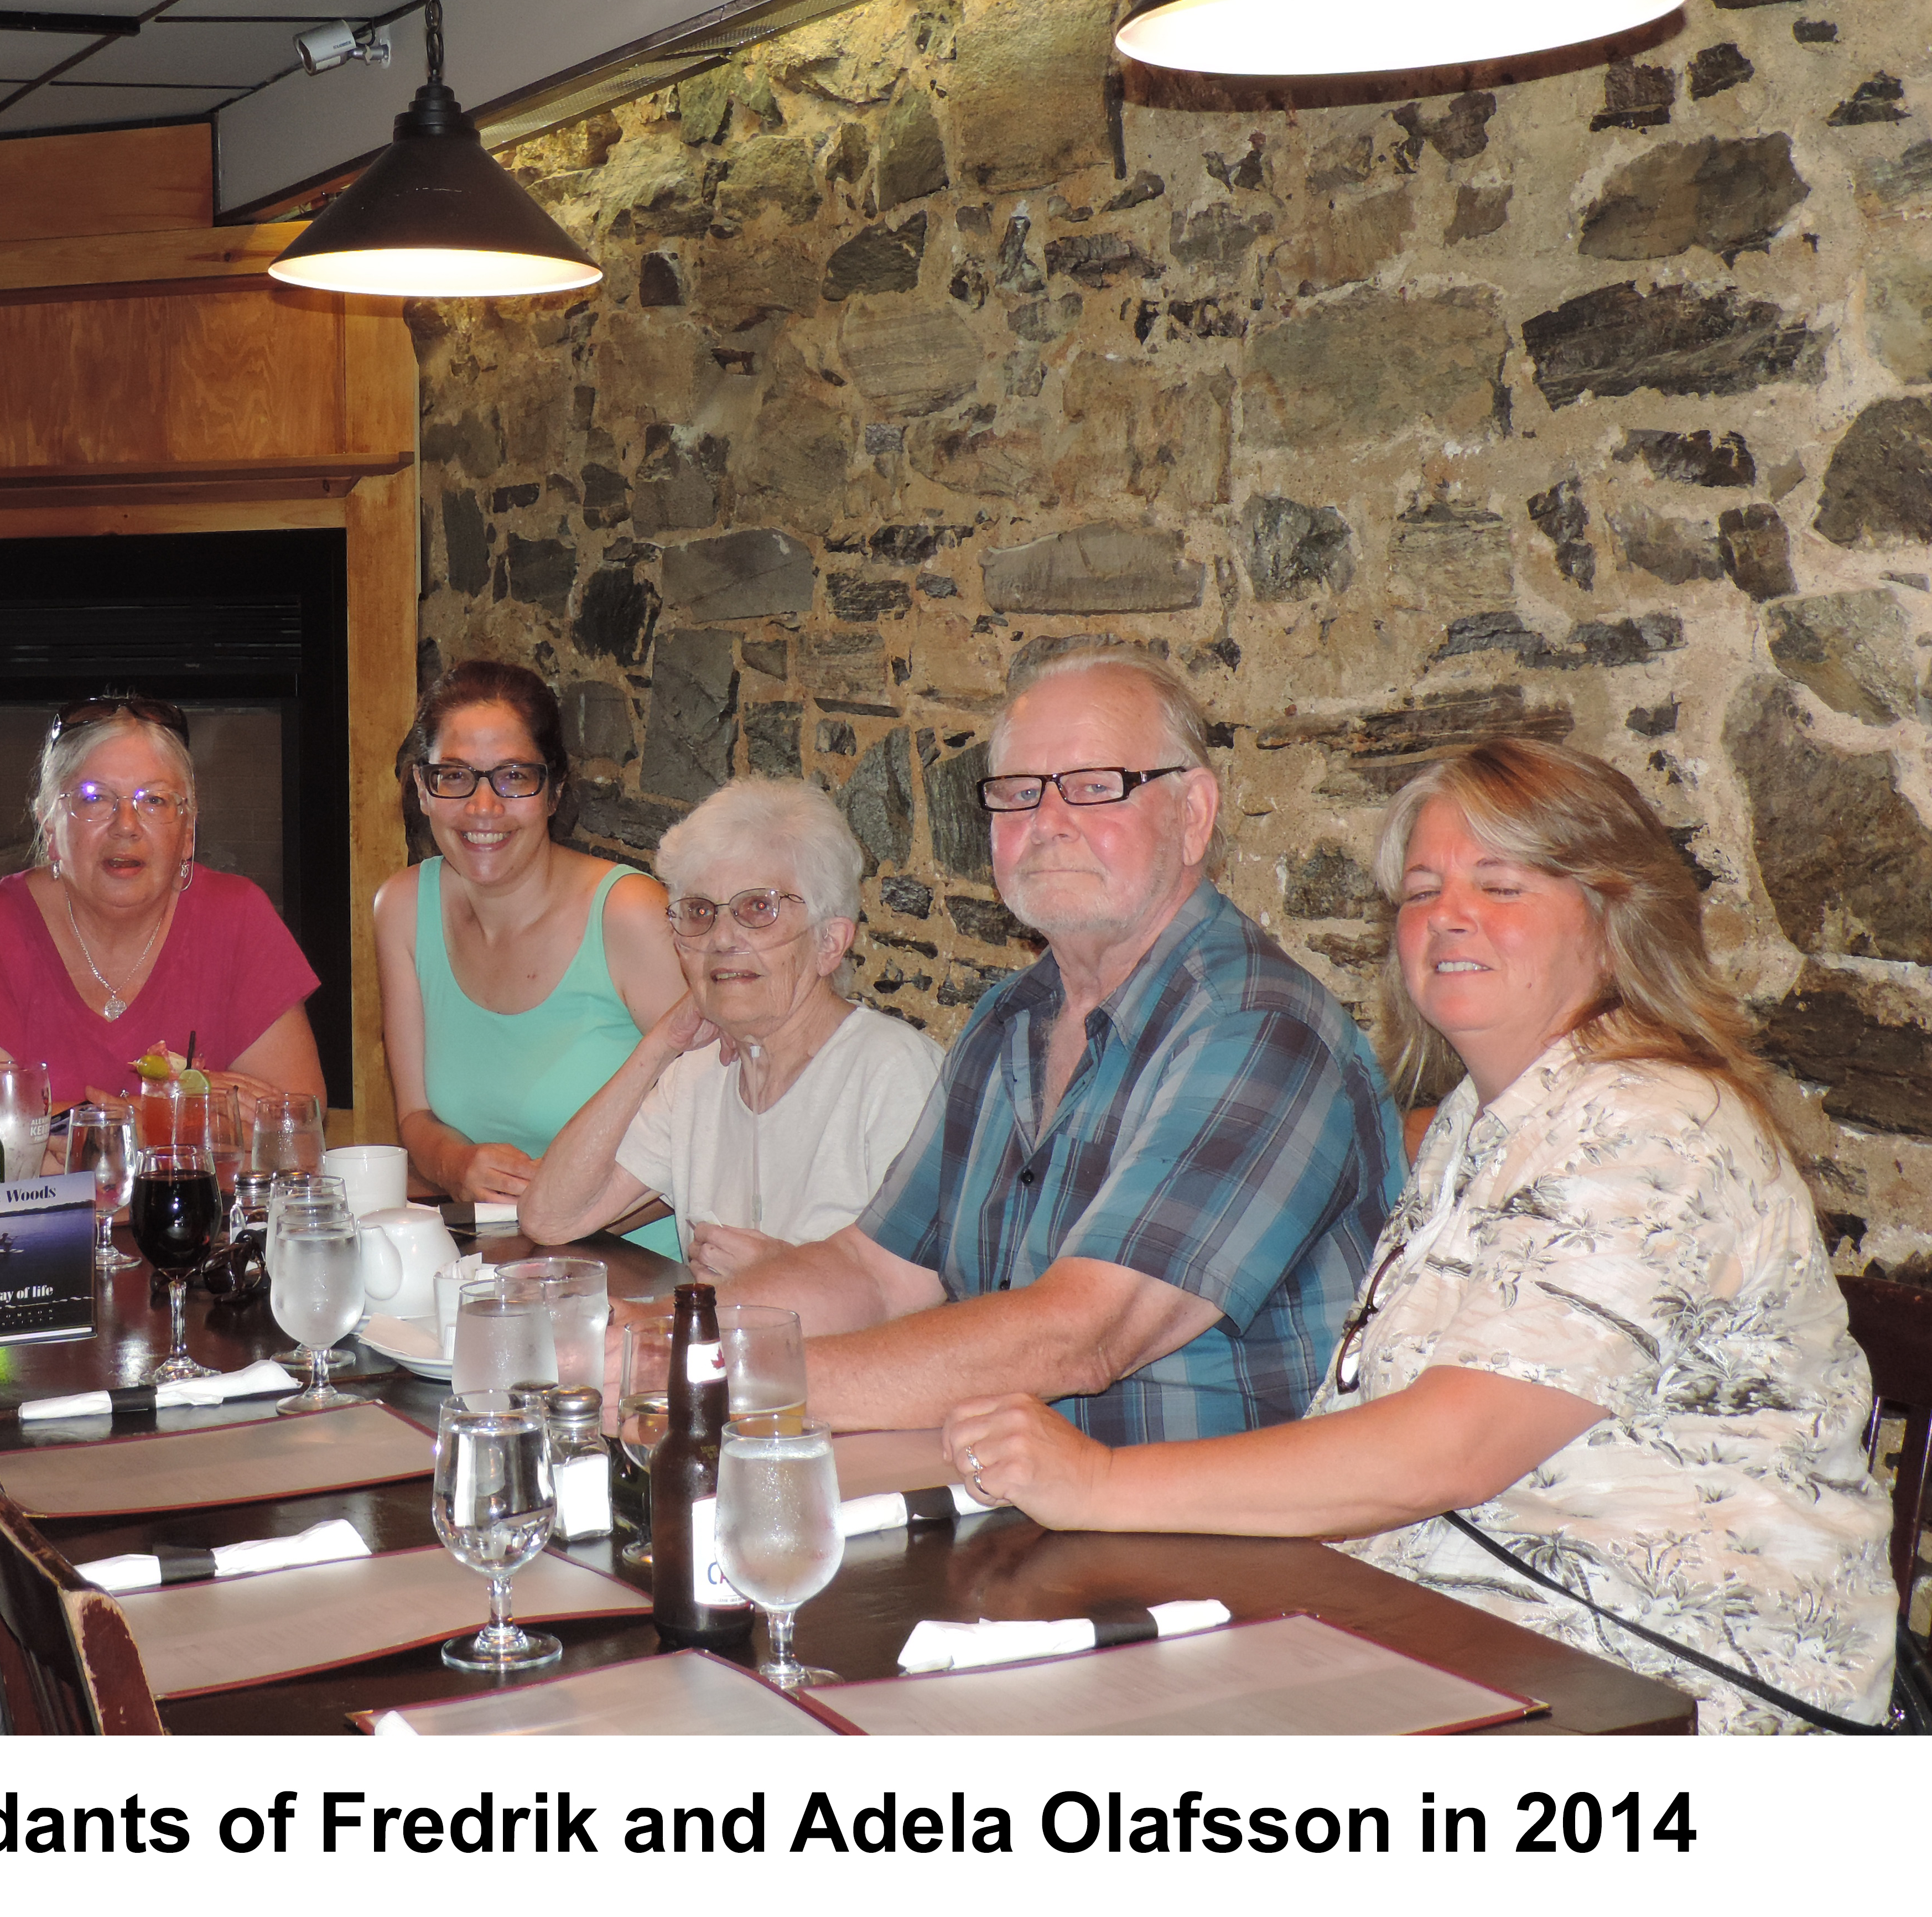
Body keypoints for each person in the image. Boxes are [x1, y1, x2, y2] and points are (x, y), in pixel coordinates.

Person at [946, 737, 1896, 1734]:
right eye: (1421, 889)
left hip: (1665, 1689)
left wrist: (1096, 1484)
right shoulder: (1473, 1125)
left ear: (1616, 923)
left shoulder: (1655, 1128)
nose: (1449, 916)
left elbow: (1454, 1448)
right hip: (1452, 1634)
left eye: (1502, 885)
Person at [683, 646, 1399, 1437]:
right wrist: (672, 1342)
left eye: (1096, 788)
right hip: (1010, 1506)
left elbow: (1080, 1338)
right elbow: (876, 1274)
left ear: (1193, 815)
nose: (1049, 823)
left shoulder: (1259, 1030)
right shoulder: (1009, 1021)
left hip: (1204, 1542)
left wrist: (728, 1379)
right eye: (1019, 794)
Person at [518, 777, 942, 1274]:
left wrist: (790, 1274)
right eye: (699, 912)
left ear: (830, 942)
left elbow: (934, 1297)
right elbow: (550, 1218)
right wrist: (659, 1048)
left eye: (758, 908)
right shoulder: (697, 1076)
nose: (721, 938)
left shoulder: (895, 1074)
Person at [375, 661, 683, 1207]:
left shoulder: (630, 915)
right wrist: (459, 1166)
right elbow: (415, 1117)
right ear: (423, 789)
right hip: (491, 1264)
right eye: (455, 775)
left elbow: (720, 1123)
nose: (482, 807)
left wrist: (565, 1217)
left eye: (514, 776)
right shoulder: (402, 907)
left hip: (635, 1264)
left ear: (554, 790)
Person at [0, 690, 323, 1108]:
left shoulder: (238, 915)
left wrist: (52, 1127)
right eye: (95, 798)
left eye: (154, 800)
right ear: (49, 826)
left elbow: (292, 1120)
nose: (126, 826)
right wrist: (171, 1112)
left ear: (188, 832)